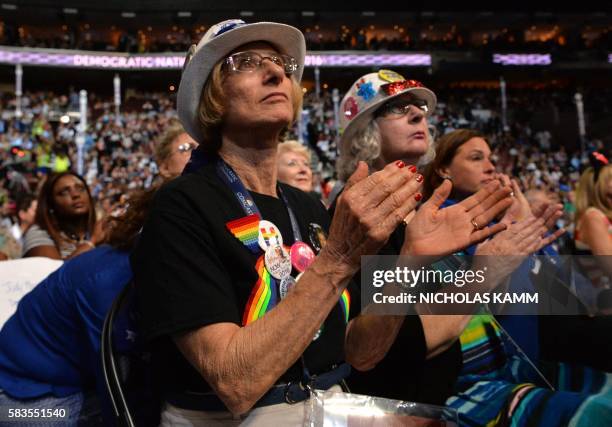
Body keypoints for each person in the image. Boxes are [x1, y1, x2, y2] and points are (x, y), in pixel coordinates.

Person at [130, 20, 513, 426]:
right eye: (245, 63)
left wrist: (409, 261)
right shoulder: (181, 205)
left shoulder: (306, 206)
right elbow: (236, 382)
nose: (278, 72)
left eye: (279, 62)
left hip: (330, 401)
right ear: (212, 97)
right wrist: (339, 257)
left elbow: (361, 353)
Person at [335, 71, 561, 406]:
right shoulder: (356, 214)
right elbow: (384, 349)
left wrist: (512, 255)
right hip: (438, 400)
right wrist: (484, 273)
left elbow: (480, 308)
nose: (418, 114)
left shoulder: (428, 208)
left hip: (497, 372)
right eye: (397, 108)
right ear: (365, 131)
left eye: (419, 108)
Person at [422, 129, 612, 427]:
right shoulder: (439, 223)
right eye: (476, 158)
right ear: (443, 169)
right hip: (493, 374)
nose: (490, 167)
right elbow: (497, 306)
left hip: (534, 357)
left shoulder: (500, 220)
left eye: (491, 159)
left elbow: (557, 288)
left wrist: (528, 225)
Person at [0, 186, 157, 426]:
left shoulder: (131, 261)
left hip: (64, 381)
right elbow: (121, 404)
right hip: (20, 401)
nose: (74, 195)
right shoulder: (108, 284)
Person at [22, 172, 100, 260]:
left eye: (81, 189)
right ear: (51, 204)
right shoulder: (39, 233)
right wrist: (92, 242)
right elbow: (54, 272)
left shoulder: (96, 230)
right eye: (64, 192)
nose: (76, 195)